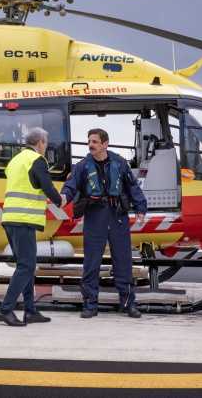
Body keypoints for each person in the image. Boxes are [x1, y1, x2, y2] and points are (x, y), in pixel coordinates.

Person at [60, 128, 147, 319]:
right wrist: (64, 197)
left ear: (105, 144)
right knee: (91, 263)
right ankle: (90, 304)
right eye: (89, 141)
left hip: (117, 217)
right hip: (95, 216)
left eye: (95, 142)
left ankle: (128, 304)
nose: (90, 145)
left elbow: (132, 186)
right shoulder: (82, 166)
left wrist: (140, 207)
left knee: (123, 262)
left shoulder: (119, 163)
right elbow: (71, 186)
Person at [0, 127, 63, 327]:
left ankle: (30, 311)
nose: (46, 146)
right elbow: (46, 185)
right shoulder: (36, 160)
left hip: (11, 218)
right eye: (45, 143)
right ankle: (5, 310)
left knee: (25, 265)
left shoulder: (16, 160)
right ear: (40, 142)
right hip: (23, 219)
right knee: (27, 266)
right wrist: (60, 200)